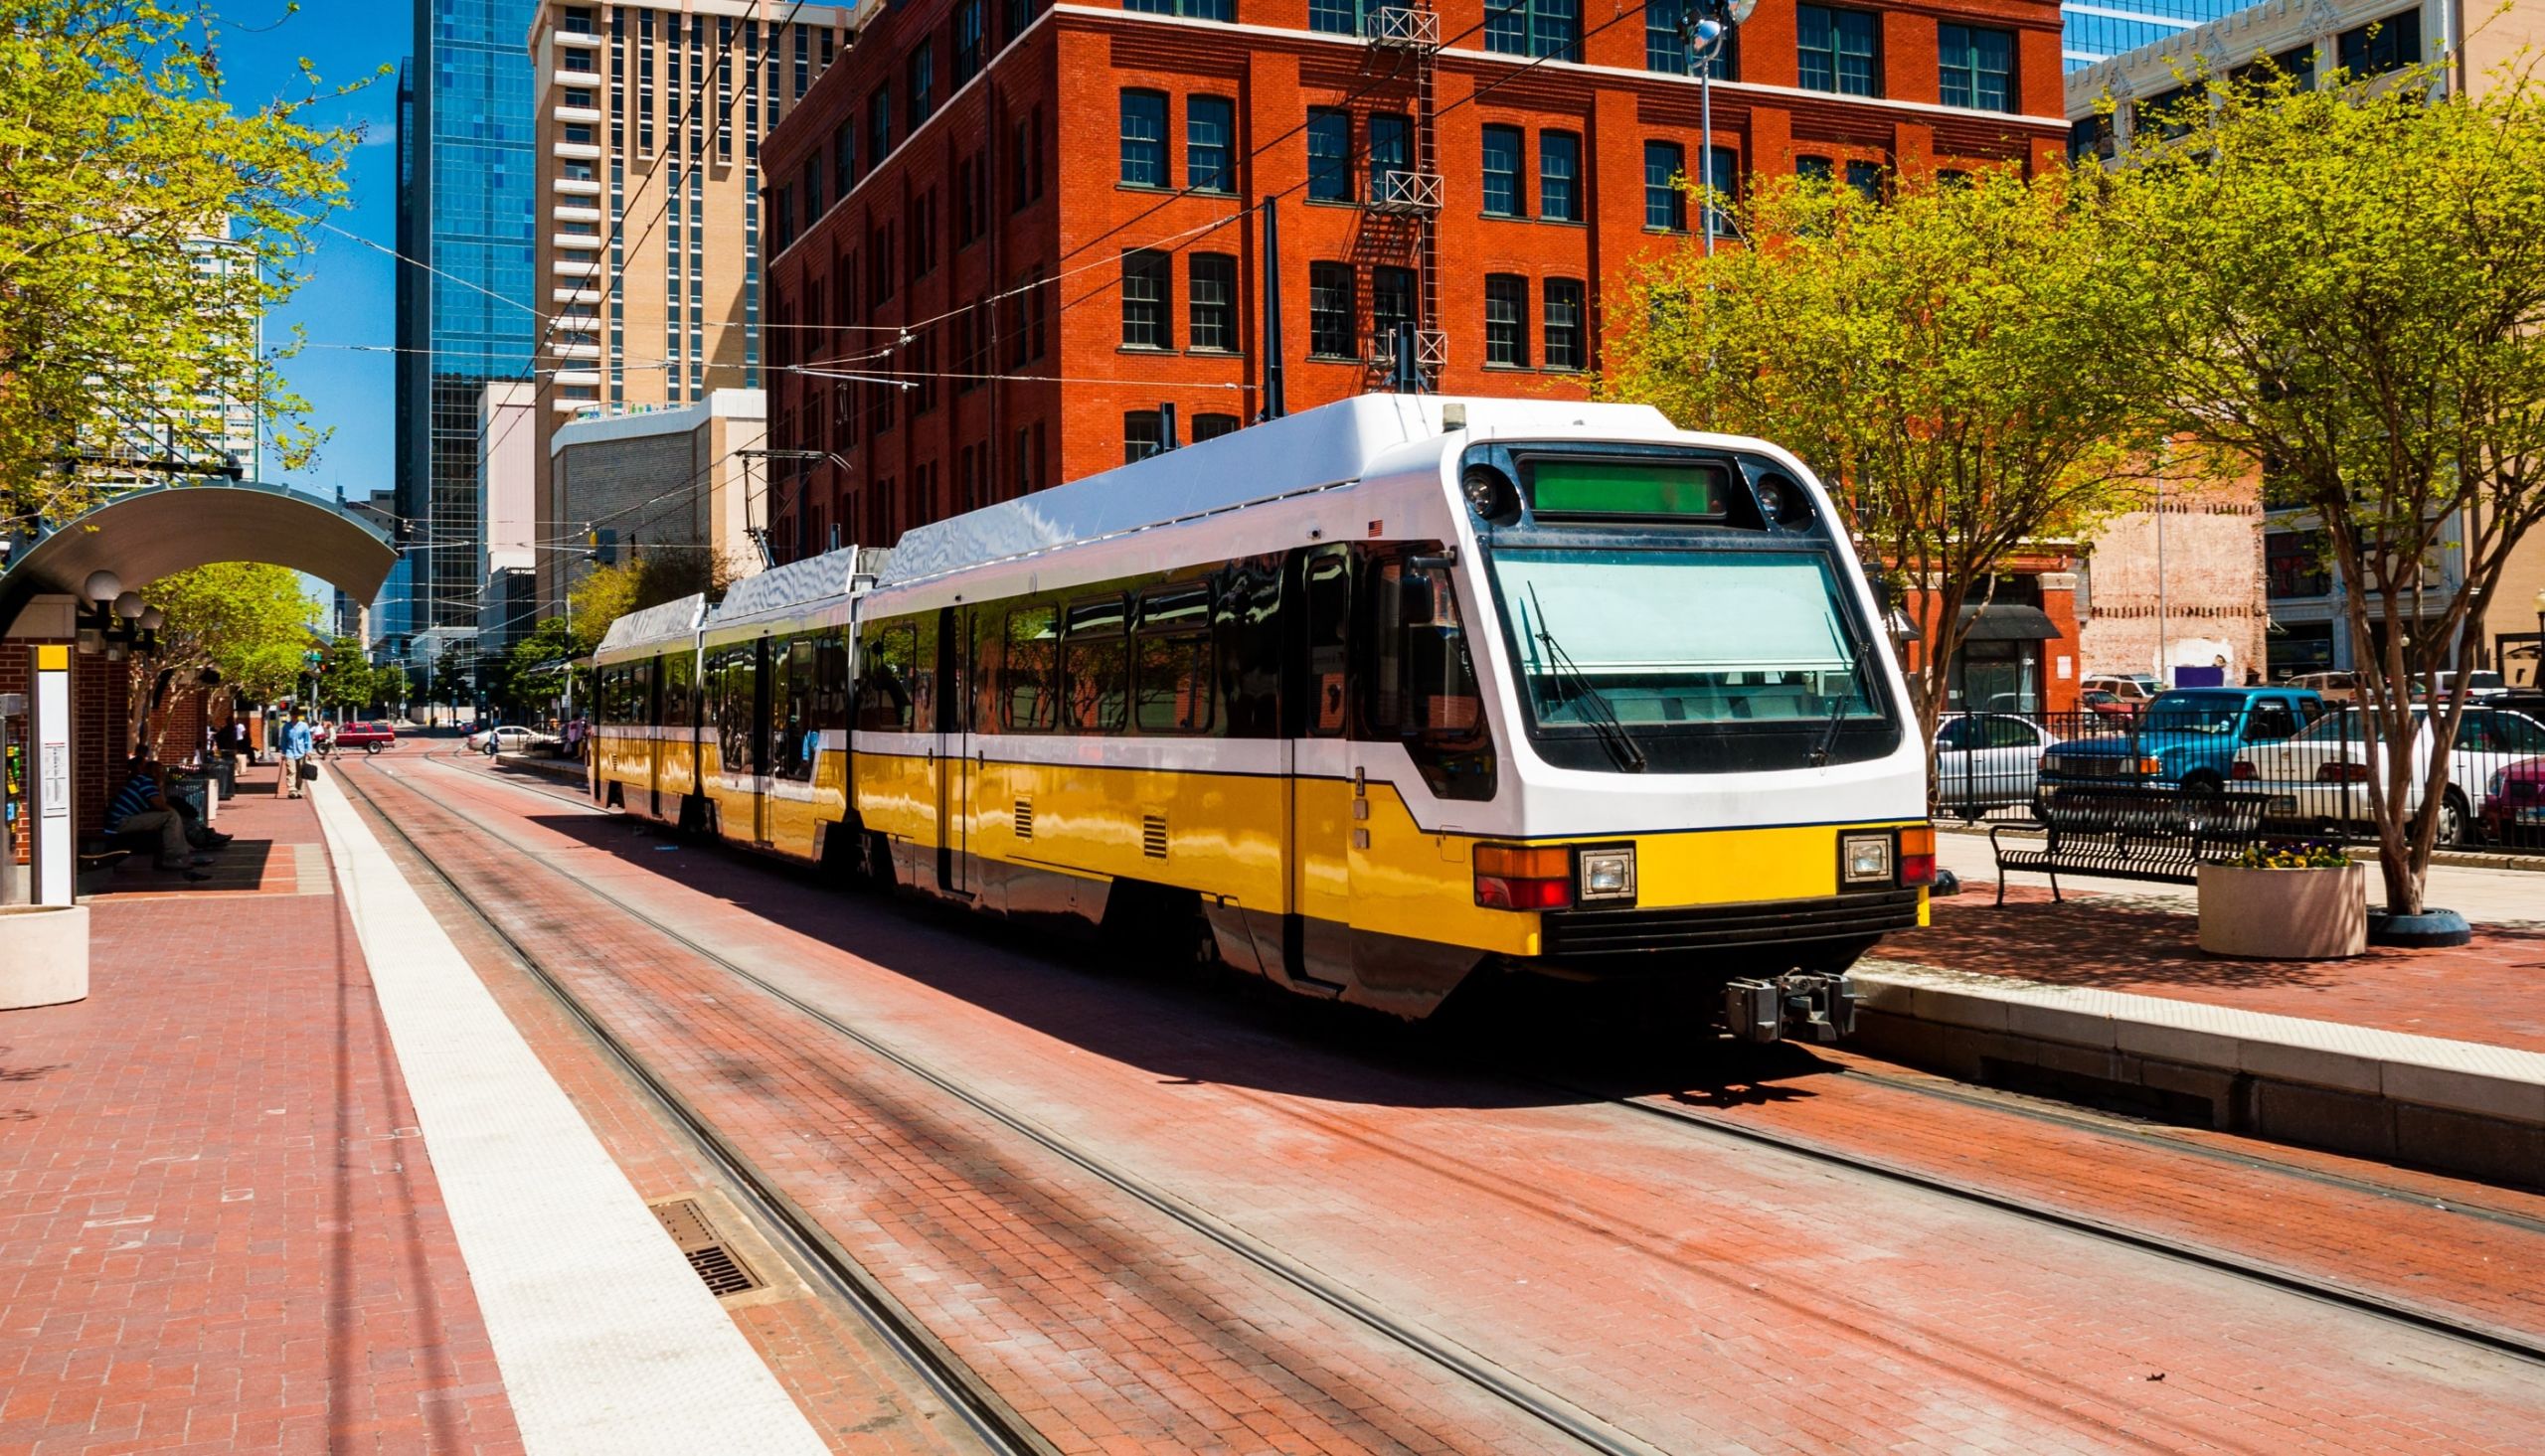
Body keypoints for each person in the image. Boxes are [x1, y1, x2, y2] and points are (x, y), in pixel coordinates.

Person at [108, 752, 226, 881]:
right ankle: (174, 857)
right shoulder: (145, 781)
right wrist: (163, 791)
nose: (164, 774)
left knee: (173, 815)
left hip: (123, 820)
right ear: (153, 773)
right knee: (171, 816)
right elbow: (161, 805)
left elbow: (160, 804)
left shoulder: (144, 781)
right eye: (161, 772)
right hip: (120, 822)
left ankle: (181, 854)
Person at [277, 709, 315, 799]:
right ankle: (292, 790)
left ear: (298, 715)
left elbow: (307, 740)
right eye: (293, 714)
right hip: (290, 752)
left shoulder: (304, 726)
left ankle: (299, 790)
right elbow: (283, 740)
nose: (294, 716)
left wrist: (309, 751)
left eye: (296, 714)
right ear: (290, 715)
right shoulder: (286, 726)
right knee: (291, 771)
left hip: (301, 752)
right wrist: (283, 752)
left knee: (300, 773)